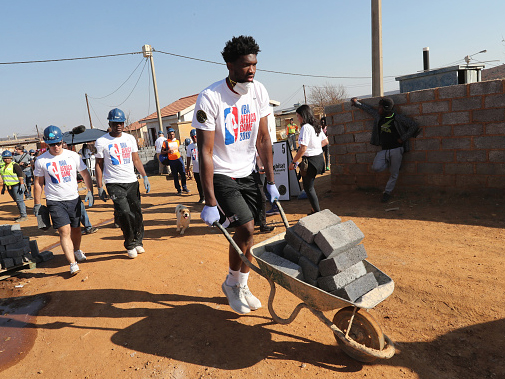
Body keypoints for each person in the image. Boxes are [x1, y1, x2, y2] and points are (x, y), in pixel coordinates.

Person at [193, 35, 280, 314]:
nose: (251, 70)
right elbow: (205, 151)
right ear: (229, 65)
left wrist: (272, 181)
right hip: (221, 173)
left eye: (254, 64)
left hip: (248, 172)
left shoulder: (259, 91)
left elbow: (264, 139)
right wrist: (209, 201)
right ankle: (233, 284)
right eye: (245, 65)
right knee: (245, 228)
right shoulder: (210, 97)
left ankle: (238, 283)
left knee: (250, 237)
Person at [33, 125, 94, 276]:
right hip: (55, 201)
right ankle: (72, 263)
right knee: (64, 231)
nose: (56, 147)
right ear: (47, 144)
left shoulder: (72, 156)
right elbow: (38, 183)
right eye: (52, 144)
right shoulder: (41, 161)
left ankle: (77, 250)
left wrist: (91, 191)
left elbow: (85, 174)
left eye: (58, 143)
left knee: (76, 229)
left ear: (62, 141)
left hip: (74, 199)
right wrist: (37, 204)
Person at [94, 108, 151, 258]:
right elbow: (99, 164)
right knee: (124, 213)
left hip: (131, 181)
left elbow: (136, 159)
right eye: (115, 123)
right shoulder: (102, 141)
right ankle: (130, 243)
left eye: (120, 122)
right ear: (110, 123)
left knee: (136, 212)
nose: (118, 125)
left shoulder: (129, 139)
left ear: (123, 123)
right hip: (114, 183)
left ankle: (138, 241)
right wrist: (100, 186)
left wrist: (144, 176)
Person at [351, 97, 419, 202]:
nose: (378, 109)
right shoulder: (379, 117)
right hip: (384, 150)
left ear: (386, 108)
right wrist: (356, 103)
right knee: (376, 167)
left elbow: (413, 126)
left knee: (394, 174)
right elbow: (369, 110)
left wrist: (402, 138)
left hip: (397, 149)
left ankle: (387, 193)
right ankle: (392, 164)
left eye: (380, 107)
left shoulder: (397, 118)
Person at [288, 105, 328, 215]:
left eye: (298, 116)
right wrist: (315, 147)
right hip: (319, 159)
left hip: (311, 162)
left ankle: (316, 212)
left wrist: (293, 162)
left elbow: (303, 148)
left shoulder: (305, 127)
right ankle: (314, 210)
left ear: (303, 116)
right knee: (309, 186)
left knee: (308, 188)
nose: (298, 119)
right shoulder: (316, 126)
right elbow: (325, 142)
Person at [0, 150, 28, 222]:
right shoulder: (3, 167)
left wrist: (22, 184)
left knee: (20, 201)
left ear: (11, 158)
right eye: (5, 158)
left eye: (8, 158)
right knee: (17, 201)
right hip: (9, 187)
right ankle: (21, 214)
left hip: (17, 186)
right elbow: (4, 177)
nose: (7, 159)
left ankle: (24, 216)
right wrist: (4, 187)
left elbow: (20, 175)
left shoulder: (14, 165)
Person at [160, 128, 189, 195]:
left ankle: (184, 187)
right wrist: (168, 151)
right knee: (175, 176)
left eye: (173, 134)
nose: (172, 135)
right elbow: (162, 151)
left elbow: (178, 149)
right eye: (170, 134)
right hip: (172, 161)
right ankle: (179, 189)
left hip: (179, 159)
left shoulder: (177, 141)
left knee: (183, 174)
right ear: (168, 135)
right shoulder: (166, 142)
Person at [185, 129, 205, 203]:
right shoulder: (190, 147)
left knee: (206, 183)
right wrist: (187, 168)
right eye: (193, 137)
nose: (194, 138)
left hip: (204, 169)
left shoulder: (203, 144)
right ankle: (202, 197)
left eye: (196, 136)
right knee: (199, 184)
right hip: (196, 169)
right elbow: (188, 157)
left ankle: (209, 197)